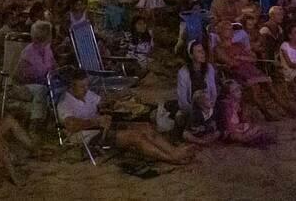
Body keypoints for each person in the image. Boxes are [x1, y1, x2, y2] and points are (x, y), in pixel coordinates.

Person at [59, 70, 194, 164]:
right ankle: (171, 158)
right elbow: (71, 125)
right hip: (88, 135)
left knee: (145, 127)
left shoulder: (86, 94)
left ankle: (174, 151)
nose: (86, 89)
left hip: (102, 125)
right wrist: (94, 121)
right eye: (82, 86)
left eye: (87, 85)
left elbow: (101, 102)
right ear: (71, 86)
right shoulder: (65, 103)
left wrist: (116, 102)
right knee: (136, 137)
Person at [15, 21, 57, 130]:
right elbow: (18, 76)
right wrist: (37, 78)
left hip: (46, 81)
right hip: (27, 85)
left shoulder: (47, 49)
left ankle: (56, 119)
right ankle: (35, 123)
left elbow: (54, 66)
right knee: (41, 90)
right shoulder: (28, 52)